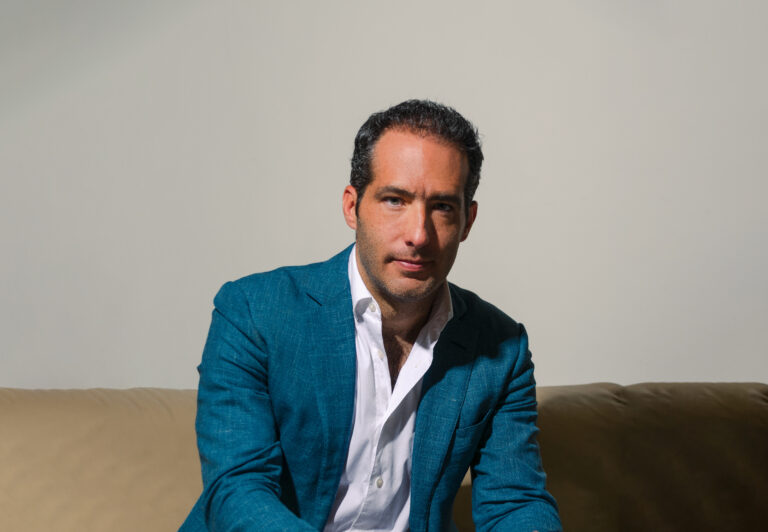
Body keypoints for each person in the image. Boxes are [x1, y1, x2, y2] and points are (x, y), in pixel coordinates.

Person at [180, 100, 562, 532]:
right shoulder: (255, 313)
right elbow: (238, 491)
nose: (418, 235)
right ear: (352, 206)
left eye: (442, 207)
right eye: (395, 200)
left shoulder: (501, 348)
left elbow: (514, 503)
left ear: (467, 221)